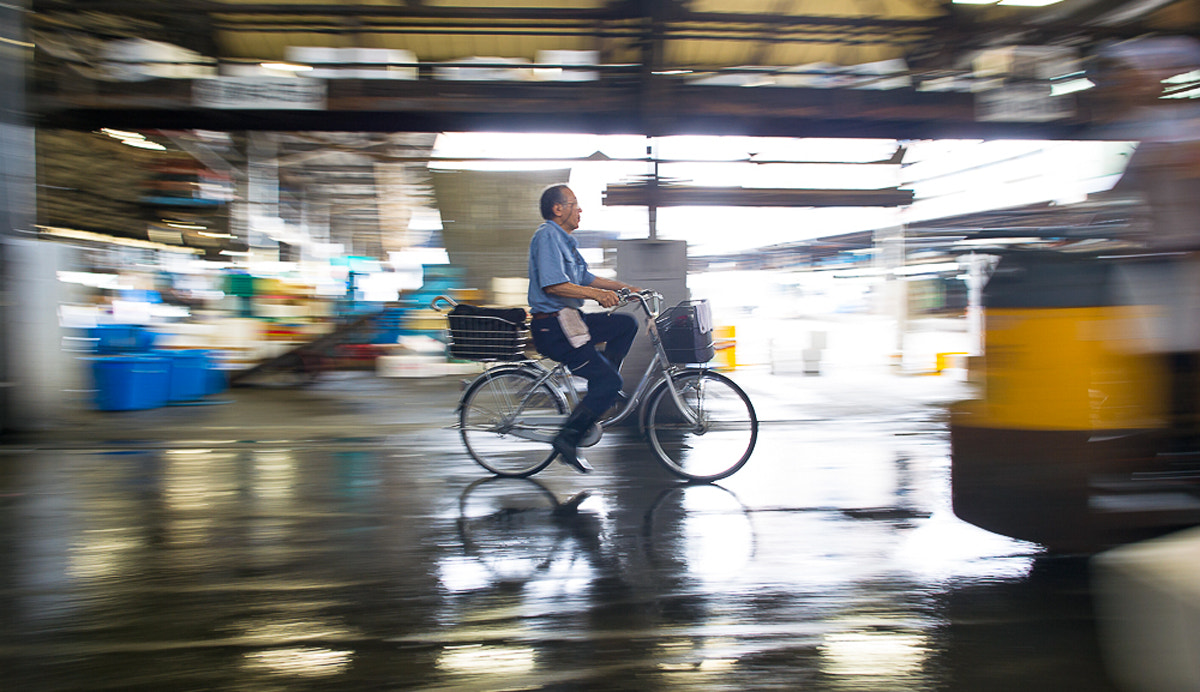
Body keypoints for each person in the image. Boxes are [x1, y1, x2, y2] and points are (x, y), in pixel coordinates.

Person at [528, 184, 642, 473]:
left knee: (625, 324)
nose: (580, 210)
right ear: (558, 209)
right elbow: (554, 285)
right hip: (554, 326)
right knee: (609, 383)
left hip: (570, 321)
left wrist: (626, 288)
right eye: (574, 204)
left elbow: (585, 277)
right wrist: (598, 296)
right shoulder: (547, 236)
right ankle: (567, 438)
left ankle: (602, 386)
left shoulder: (565, 240)